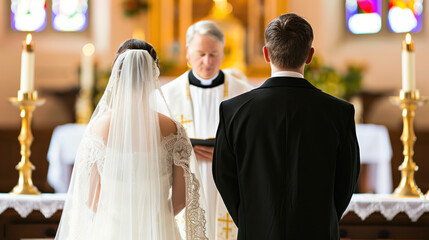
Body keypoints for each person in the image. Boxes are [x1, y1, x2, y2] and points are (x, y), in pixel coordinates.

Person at [213, 13, 360, 240]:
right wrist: (322, 218)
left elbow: (224, 177)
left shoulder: (234, 111)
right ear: (310, 55)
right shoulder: (338, 112)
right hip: (317, 231)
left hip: (257, 231)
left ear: (265, 54)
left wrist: (252, 218)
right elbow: (346, 182)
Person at [55, 39, 209, 240]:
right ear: (154, 75)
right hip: (160, 231)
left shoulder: (98, 128)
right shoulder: (173, 130)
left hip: (110, 231)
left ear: (117, 76)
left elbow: (89, 197)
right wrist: (155, 219)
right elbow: (182, 197)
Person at [160, 20, 253, 238]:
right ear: (188, 53)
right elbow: (156, 145)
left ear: (223, 53)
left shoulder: (246, 95)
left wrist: (227, 155)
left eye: (213, 54)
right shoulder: (165, 95)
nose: (207, 61)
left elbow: (254, 145)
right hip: (183, 181)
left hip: (229, 183)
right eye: (201, 53)